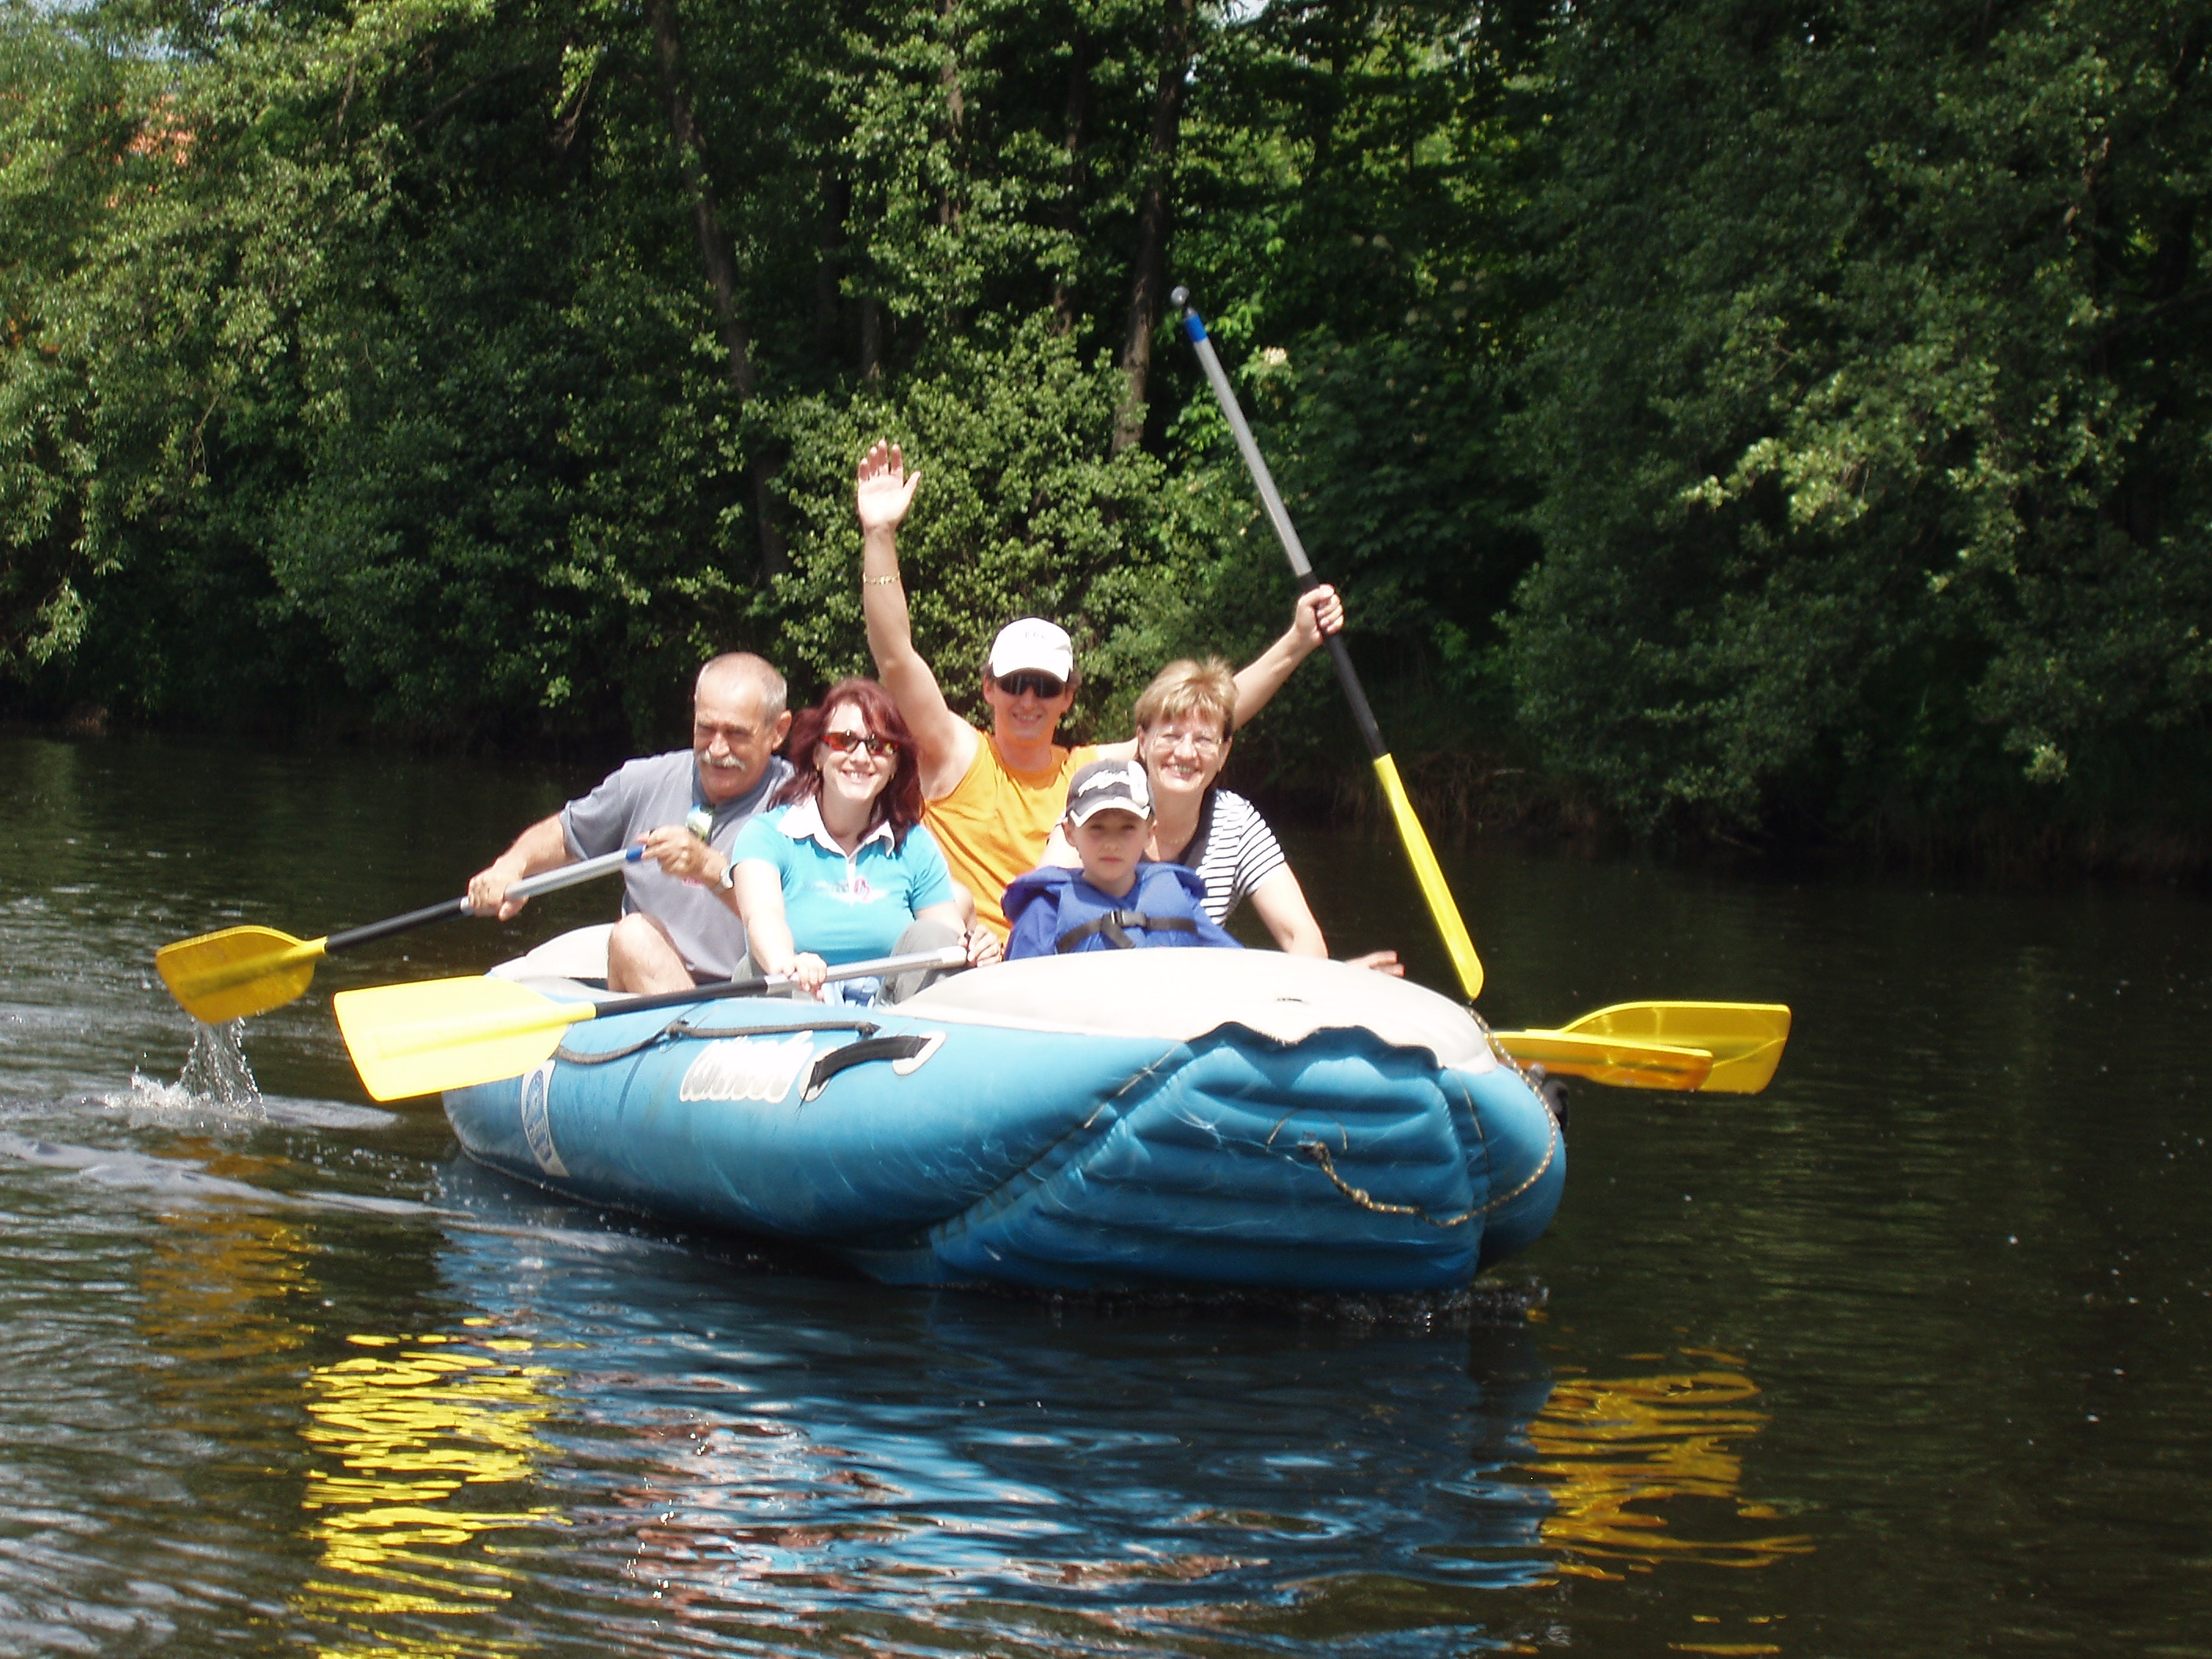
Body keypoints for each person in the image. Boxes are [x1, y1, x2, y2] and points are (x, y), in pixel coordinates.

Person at [854, 438, 1347, 940]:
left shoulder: (1089, 771)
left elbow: (1198, 722)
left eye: (1045, 687)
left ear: (1068, 698)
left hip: (1056, 961)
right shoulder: (954, 752)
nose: (1028, 700)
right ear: (988, 689)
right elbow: (896, 657)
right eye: (1014, 684)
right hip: (967, 959)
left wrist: (1297, 642)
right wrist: (879, 534)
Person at [467, 653, 792, 994]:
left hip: (751, 992)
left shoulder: (802, 805)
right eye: (706, 729)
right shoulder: (642, 781)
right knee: (633, 935)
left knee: (634, 937)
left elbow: (802, 922)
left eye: (737, 733)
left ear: (778, 731)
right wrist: (510, 867)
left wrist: (711, 870)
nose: (718, 748)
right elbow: (564, 834)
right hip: (649, 976)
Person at [1057, 656, 1403, 972]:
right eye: (1172, 735)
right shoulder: (1095, 807)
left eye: (1204, 740)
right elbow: (1043, 906)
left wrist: (1329, 981)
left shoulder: (1235, 821)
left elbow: (1302, 937)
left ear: (1224, 753)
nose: (1186, 752)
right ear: (1143, 741)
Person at [725, 679, 1000, 1002]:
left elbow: (943, 935)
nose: (860, 757)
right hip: (797, 1009)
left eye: (879, 745)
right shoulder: (767, 835)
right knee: (765, 969)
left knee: (937, 938)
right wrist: (788, 963)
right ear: (817, 753)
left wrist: (976, 949)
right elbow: (762, 917)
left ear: (895, 764)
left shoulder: (914, 844)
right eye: (844, 740)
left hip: (890, 1016)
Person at [1003, 760, 1241, 958]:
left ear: (1150, 832)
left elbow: (1237, 966)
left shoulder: (1180, 898)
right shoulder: (1044, 912)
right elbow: (1014, 996)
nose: (1112, 843)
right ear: (1069, 833)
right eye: (1097, 828)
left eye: (1127, 828)